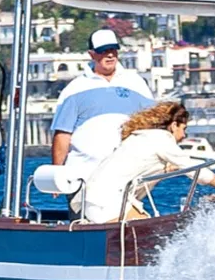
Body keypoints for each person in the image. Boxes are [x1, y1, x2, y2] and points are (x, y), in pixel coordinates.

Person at [77, 101, 215, 223]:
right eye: (184, 129)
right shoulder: (162, 139)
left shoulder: (142, 137)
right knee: (152, 233)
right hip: (107, 203)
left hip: (93, 200)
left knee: (148, 227)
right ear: (174, 125)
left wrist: (165, 171)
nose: (184, 136)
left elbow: (140, 171)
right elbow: (197, 172)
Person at [50, 28, 155, 187]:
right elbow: (62, 134)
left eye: (113, 50)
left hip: (127, 176)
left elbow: (154, 124)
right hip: (84, 176)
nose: (110, 55)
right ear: (92, 54)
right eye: (104, 51)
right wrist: (56, 174)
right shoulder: (74, 89)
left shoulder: (137, 83)